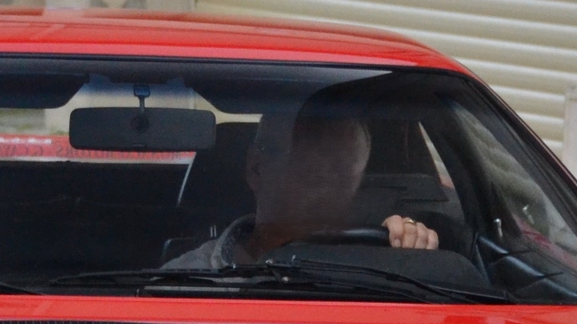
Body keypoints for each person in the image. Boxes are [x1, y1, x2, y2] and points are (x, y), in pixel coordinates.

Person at [162, 109, 440, 271]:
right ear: (256, 170)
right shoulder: (184, 280)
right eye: (315, 172)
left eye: (345, 175)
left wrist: (407, 249)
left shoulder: (375, 271)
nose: (331, 190)